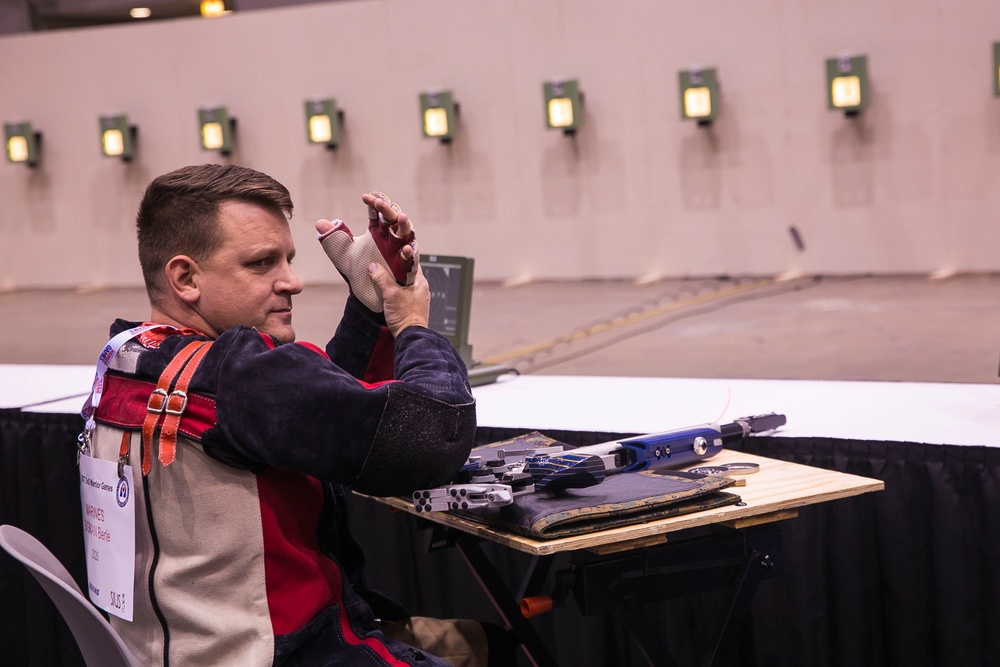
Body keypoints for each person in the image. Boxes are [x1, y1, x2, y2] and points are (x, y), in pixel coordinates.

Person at [81, 163, 509, 666]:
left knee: (486, 646)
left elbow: (314, 418)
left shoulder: (126, 360)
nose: (294, 281)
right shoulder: (237, 377)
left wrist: (371, 308)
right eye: (262, 263)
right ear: (185, 278)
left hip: (175, 648)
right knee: (497, 644)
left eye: (289, 258)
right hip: (291, 653)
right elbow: (431, 438)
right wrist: (413, 325)